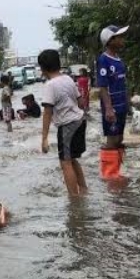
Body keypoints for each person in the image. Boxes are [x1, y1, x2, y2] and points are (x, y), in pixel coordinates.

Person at [38, 49, 88, 196]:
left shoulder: (50, 85)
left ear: (43, 68)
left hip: (68, 127)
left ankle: (74, 199)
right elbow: (81, 102)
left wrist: (44, 138)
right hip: (80, 121)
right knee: (72, 159)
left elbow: (47, 113)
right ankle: (84, 189)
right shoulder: (68, 79)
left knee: (65, 163)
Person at [97, 25, 129, 150]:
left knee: (120, 139)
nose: (122, 39)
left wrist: (128, 104)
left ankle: (118, 168)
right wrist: (108, 108)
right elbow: (103, 87)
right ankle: (108, 168)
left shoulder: (119, 60)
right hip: (112, 106)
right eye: (119, 37)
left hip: (122, 105)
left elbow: (124, 83)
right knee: (112, 140)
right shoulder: (104, 60)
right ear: (110, 41)